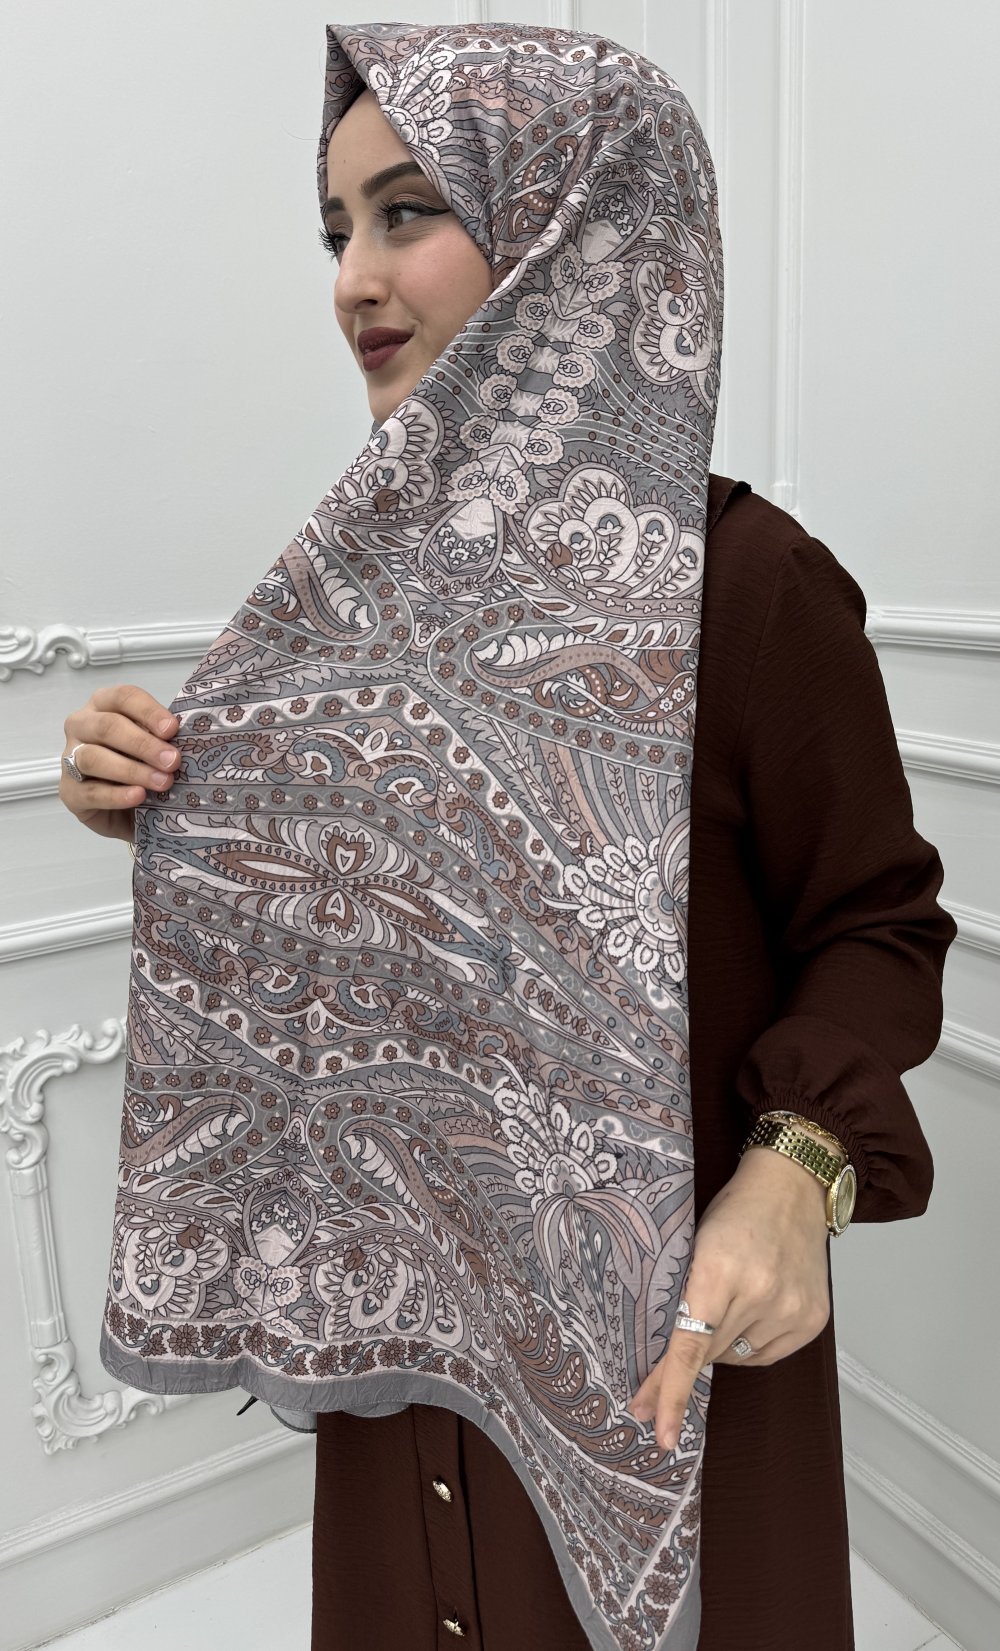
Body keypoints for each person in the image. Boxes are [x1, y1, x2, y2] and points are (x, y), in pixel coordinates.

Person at [58, 22, 955, 1651]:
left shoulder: (751, 589)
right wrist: (163, 802)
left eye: (409, 211)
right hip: (411, 1310)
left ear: (578, 223)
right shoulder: (356, 587)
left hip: (664, 1336)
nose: (353, 280)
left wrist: (798, 1167)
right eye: (338, 230)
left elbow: (879, 927)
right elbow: (369, 892)